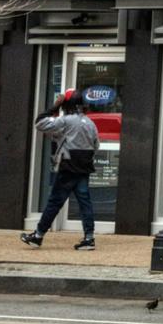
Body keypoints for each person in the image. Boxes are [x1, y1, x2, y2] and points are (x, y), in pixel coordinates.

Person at [22, 90, 101, 250]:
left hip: (68, 166)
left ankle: (38, 235)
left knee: (55, 202)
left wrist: (55, 106)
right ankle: (89, 238)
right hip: (83, 167)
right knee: (85, 202)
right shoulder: (90, 123)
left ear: (67, 104)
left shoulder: (66, 120)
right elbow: (96, 146)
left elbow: (40, 123)